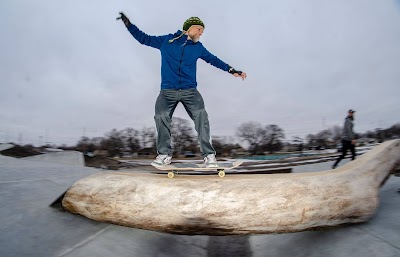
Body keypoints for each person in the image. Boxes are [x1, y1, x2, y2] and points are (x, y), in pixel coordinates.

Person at [117, 13, 247, 166]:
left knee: (201, 116)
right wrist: (129, 25)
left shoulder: (198, 48)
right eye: (199, 29)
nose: (201, 33)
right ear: (189, 28)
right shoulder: (167, 41)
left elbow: (214, 60)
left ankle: (209, 156)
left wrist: (232, 70)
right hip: (167, 91)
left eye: (202, 31)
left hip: (190, 91)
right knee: (161, 116)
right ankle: (164, 155)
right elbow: (144, 39)